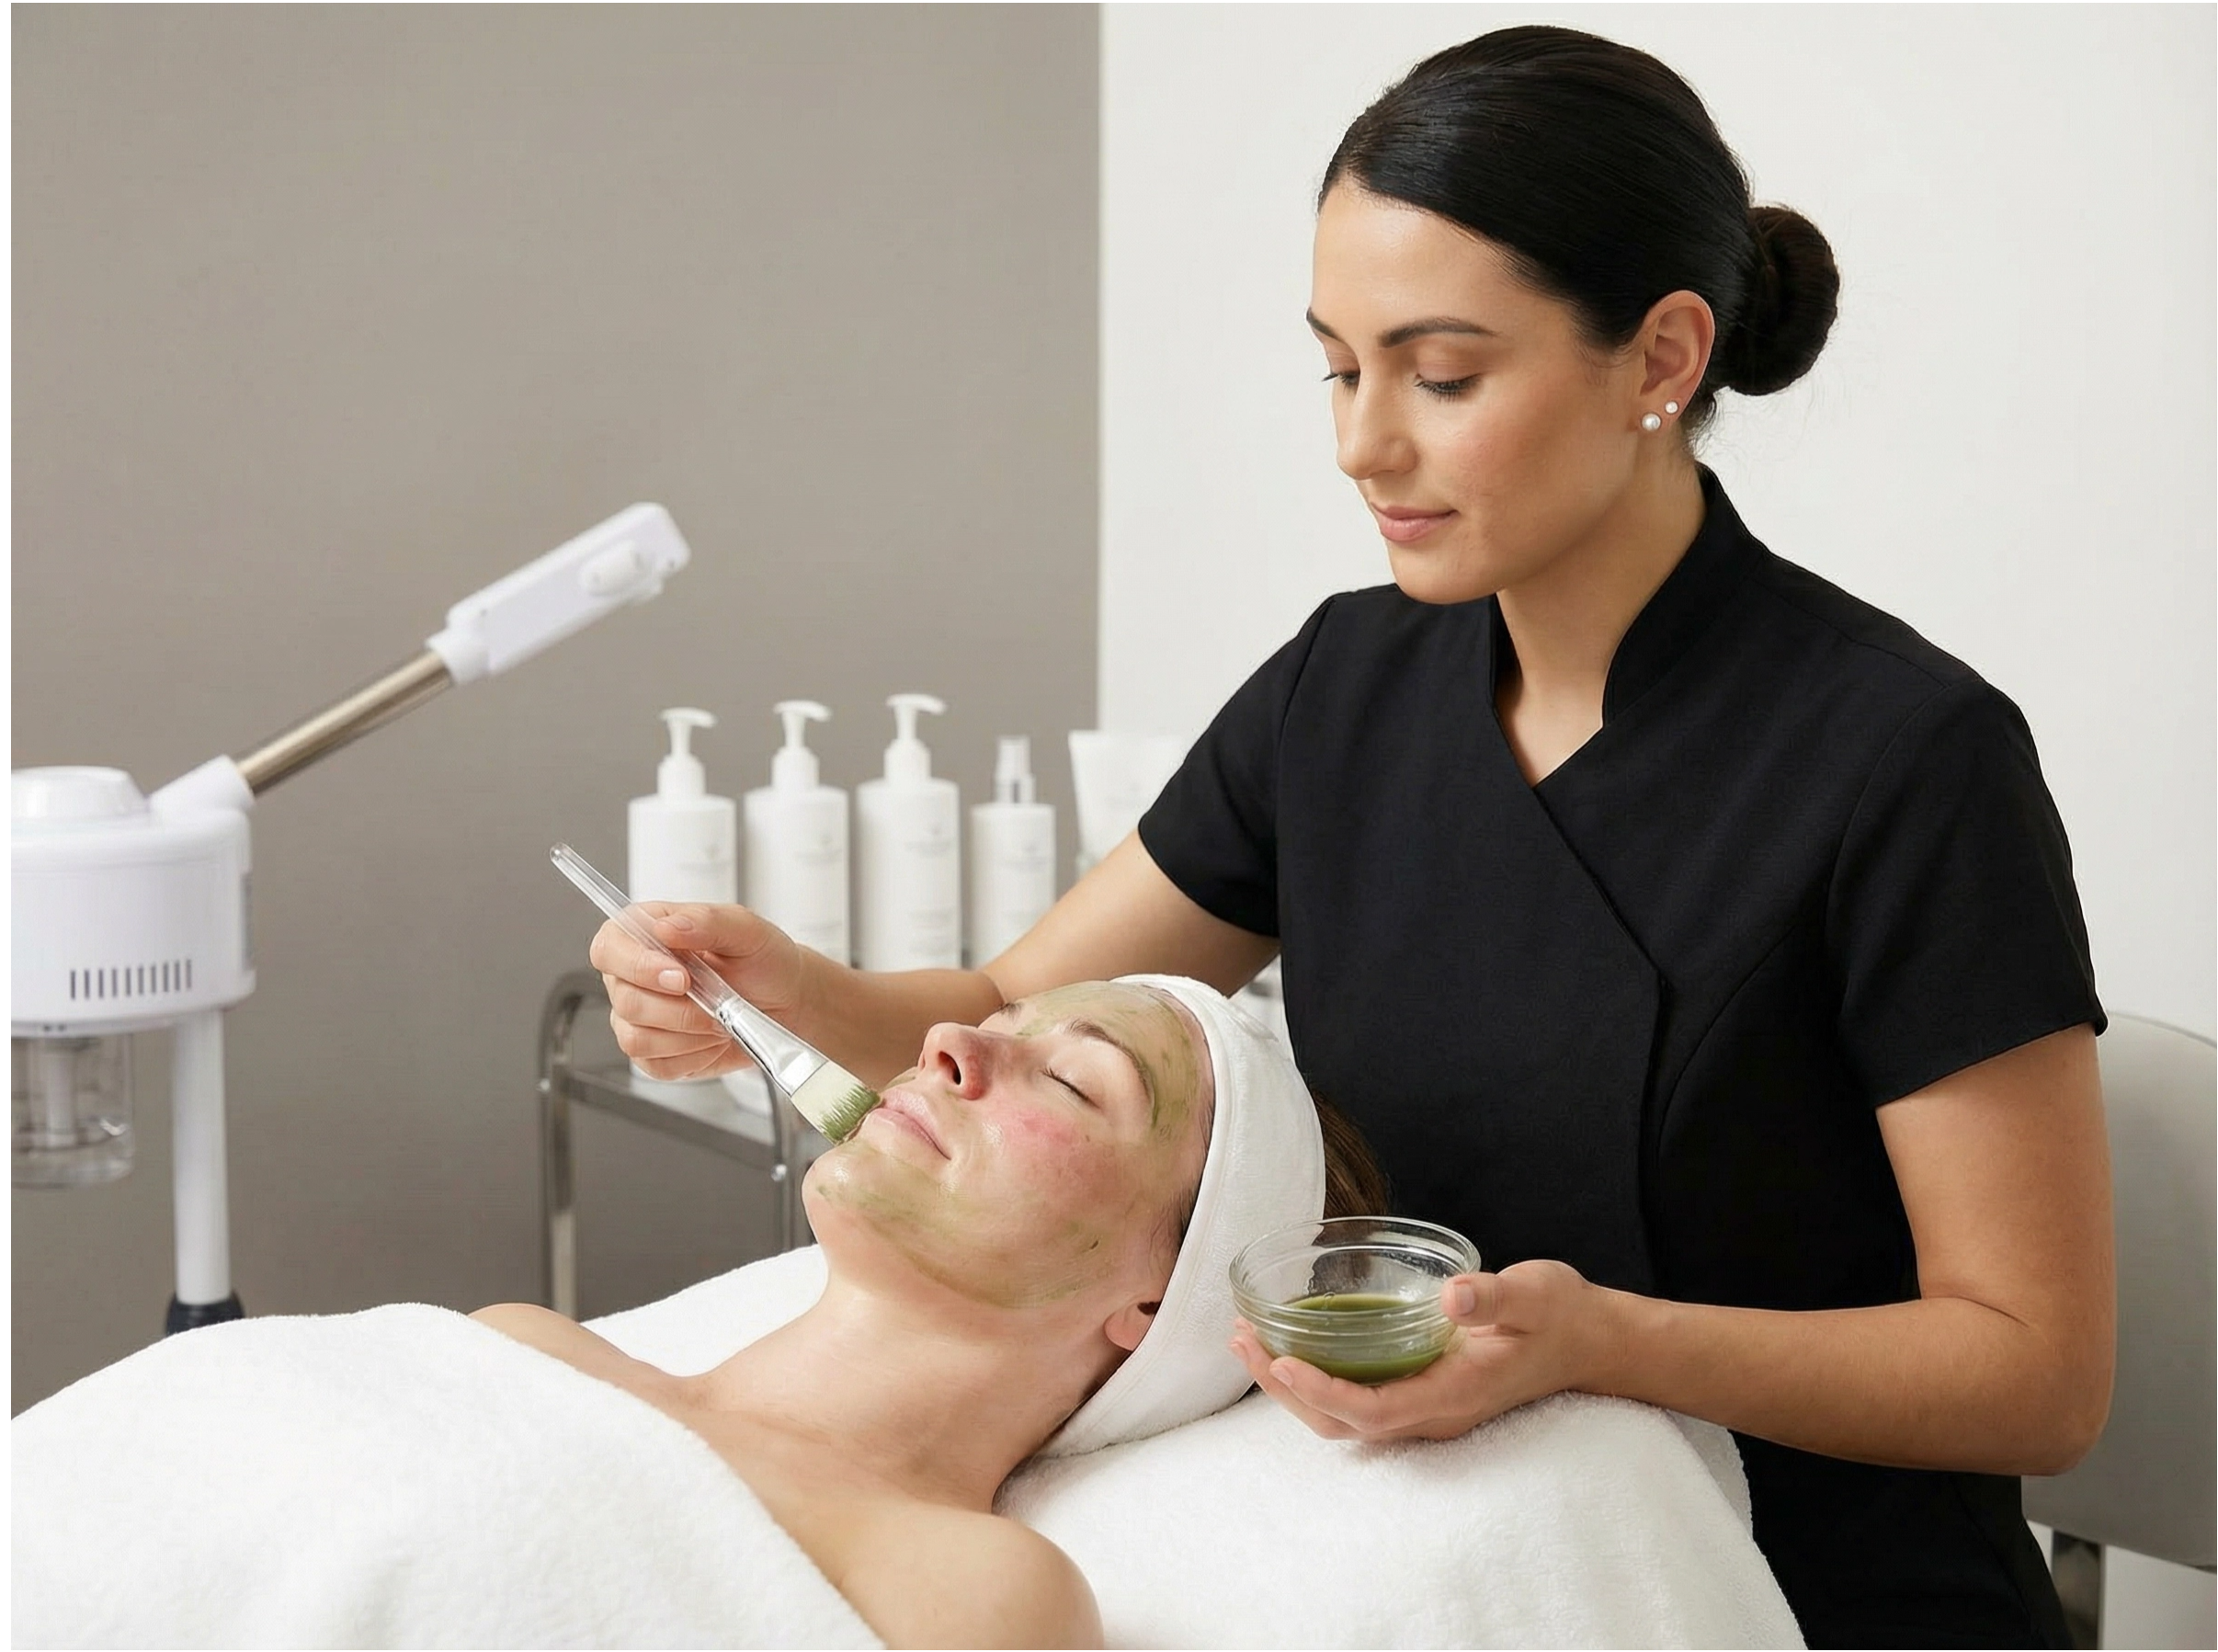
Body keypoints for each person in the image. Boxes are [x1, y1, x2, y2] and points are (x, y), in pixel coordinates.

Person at [595, 25, 2111, 1650]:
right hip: (1455, 1575)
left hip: (1808, 1602)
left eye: (1444, 376)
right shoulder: (1351, 685)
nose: (1362, 443)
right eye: (1340, 364)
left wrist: (1605, 1342)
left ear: (1664, 357)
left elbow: (2034, 1372)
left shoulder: (1902, 757)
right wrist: (783, 987)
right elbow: (1009, 998)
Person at [13, 975, 1374, 1650]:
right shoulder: (516, 1348)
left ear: (1158, 1300)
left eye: (1073, 1085)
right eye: (1002, 1022)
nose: (955, 1045)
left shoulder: (974, 1591)